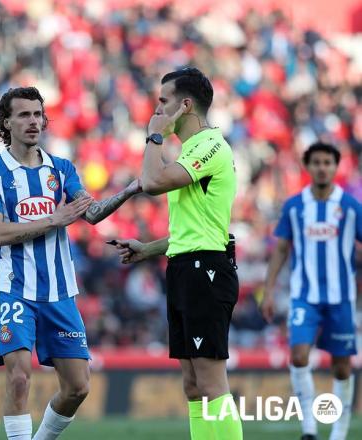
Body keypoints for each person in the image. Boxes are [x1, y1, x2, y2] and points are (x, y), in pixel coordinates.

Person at [0, 86, 142, 440]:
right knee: (19, 377)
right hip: (14, 288)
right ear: (6, 123)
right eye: (23, 115)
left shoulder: (61, 169)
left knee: (78, 387)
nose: (33, 121)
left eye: (37, 114)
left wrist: (129, 190)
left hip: (59, 291)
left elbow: (91, 213)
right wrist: (55, 219)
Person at [113, 67, 242, 439]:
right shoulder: (190, 152)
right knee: (193, 385)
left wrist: (155, 135)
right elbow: (193, 230)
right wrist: (148, 249)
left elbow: (152, 182)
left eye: (163, 101)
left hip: (208, 270)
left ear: (185, 106)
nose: (157, 108)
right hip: (186, 266)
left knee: (211, 381)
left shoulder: (210, 146)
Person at [261, 142, 360, 440]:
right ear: (308, 166)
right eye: (316, 162)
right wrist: (268, 291)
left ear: (335, 167)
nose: (322, 167)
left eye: (327, 162)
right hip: (305, 297)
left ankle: (339, 431)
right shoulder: (294, 206)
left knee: (341, 368)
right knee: (299, 356)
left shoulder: (351, 207)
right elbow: (280, 249)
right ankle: (309, 428)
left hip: (341, 299)